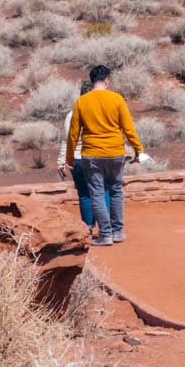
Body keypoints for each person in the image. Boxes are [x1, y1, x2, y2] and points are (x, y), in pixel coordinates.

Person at [65, 64, 149, 245]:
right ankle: (117, 231)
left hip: (92, 154)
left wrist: (69, 159)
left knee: (96, 193)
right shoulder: (116, 99)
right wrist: (138, 150)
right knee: (116, 190)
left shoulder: (82, 102)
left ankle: (105, 234)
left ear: (91, 81)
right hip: (115, 152)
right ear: (107, 81)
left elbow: (73, 134)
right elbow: (128, 128)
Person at [57, 78, 101, 235]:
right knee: (102, 191)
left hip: (78, 159)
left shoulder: (72, 114)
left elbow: (68, 139)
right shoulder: (101, 112)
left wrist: (62, 161)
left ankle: (88, 227)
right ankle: (105, 227)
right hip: (98, 156)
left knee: (84, 194)